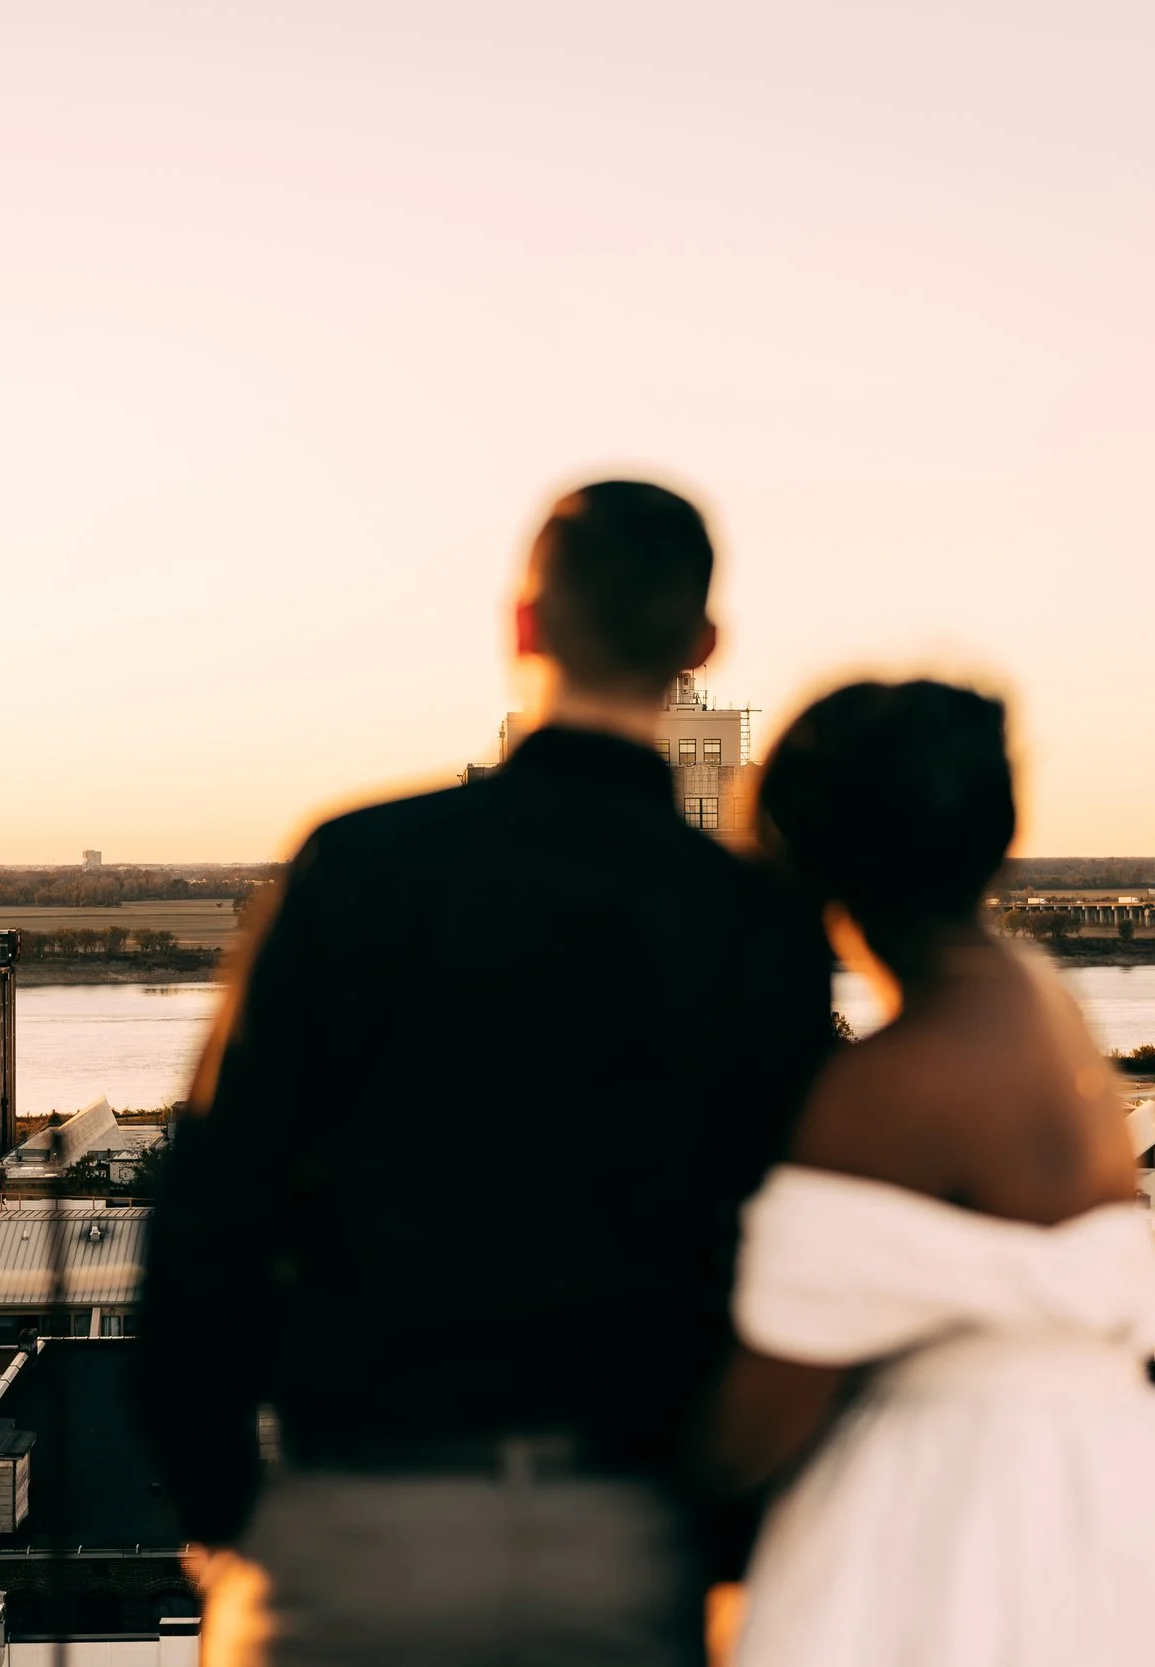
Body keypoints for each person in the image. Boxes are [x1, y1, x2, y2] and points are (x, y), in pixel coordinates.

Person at [131, 481, 836, 1667]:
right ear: (699, 647)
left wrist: (218, 1508)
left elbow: (214, 1211)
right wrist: (723, 1536)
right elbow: (795, 1251)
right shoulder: (752, 921)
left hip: (355, 1517)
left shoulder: (359, 866)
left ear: (523, 624)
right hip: (628, 1539)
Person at [712, 679, 1155, 1667]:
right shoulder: (1030, 994)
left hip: (963, 1522)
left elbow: (755, 1425)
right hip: (1107, 1499)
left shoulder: (889, 1083)